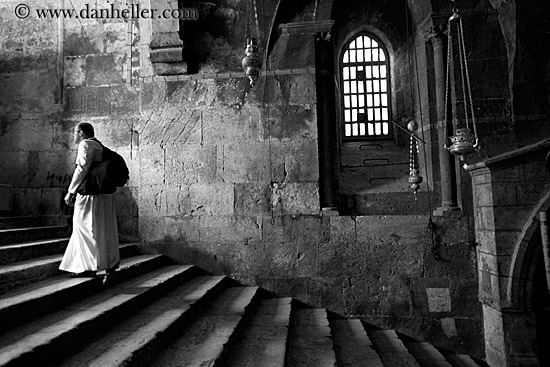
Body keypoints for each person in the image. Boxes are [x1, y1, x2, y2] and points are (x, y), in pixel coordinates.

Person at [60, 122, 120, 281]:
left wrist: (71, 191)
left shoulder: (86, 144)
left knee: (83, 227)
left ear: (81, 132)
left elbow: (82, 168)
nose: (74, 135)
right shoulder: (99, 145)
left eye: (75, 132)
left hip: (90, 194)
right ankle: (106, 263)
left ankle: (87, 267)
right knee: (100, 228)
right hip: (102, 193)